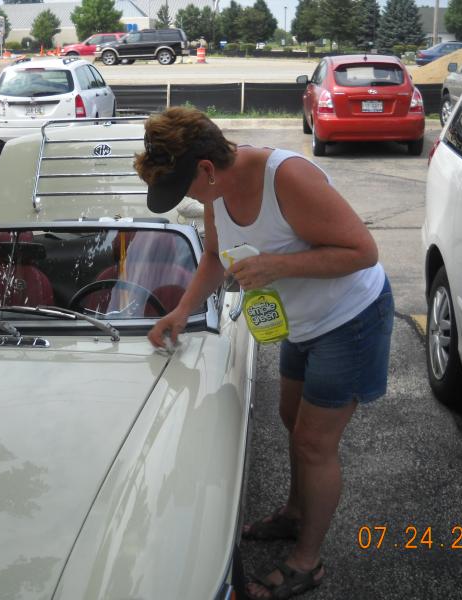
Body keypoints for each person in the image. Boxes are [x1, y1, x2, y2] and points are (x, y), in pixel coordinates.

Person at [134, 107, 393, 600]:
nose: (188, 197)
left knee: (315, 444)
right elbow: (213, 256)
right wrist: (181, 312)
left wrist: (278, 266)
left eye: (186, 187)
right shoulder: (216, 190)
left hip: (351, 319)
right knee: (290, 416)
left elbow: (363, 251)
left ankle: (305, 563)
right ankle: (296, 512)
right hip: (302, 323)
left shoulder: (286, 176)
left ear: (206, 168)